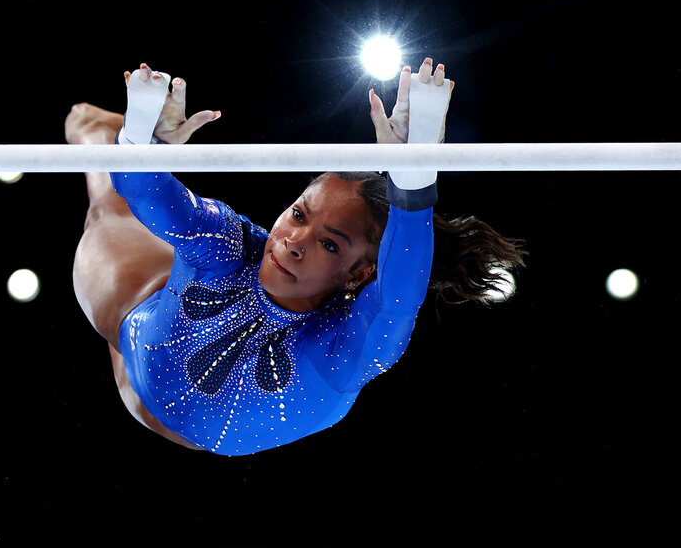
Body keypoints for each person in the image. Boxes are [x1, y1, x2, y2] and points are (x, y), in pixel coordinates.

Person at [66, 60, 525, 455]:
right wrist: (142, 141)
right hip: (137, 319)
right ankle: (90, 123)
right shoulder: (231, 247)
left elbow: (399, 297)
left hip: (175, 417)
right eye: (299, 214)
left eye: (330, 244)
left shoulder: (344, 346)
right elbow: (145, 190)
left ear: (362, 272)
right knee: (108, 204)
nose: (294, 241)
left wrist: (415, 178)